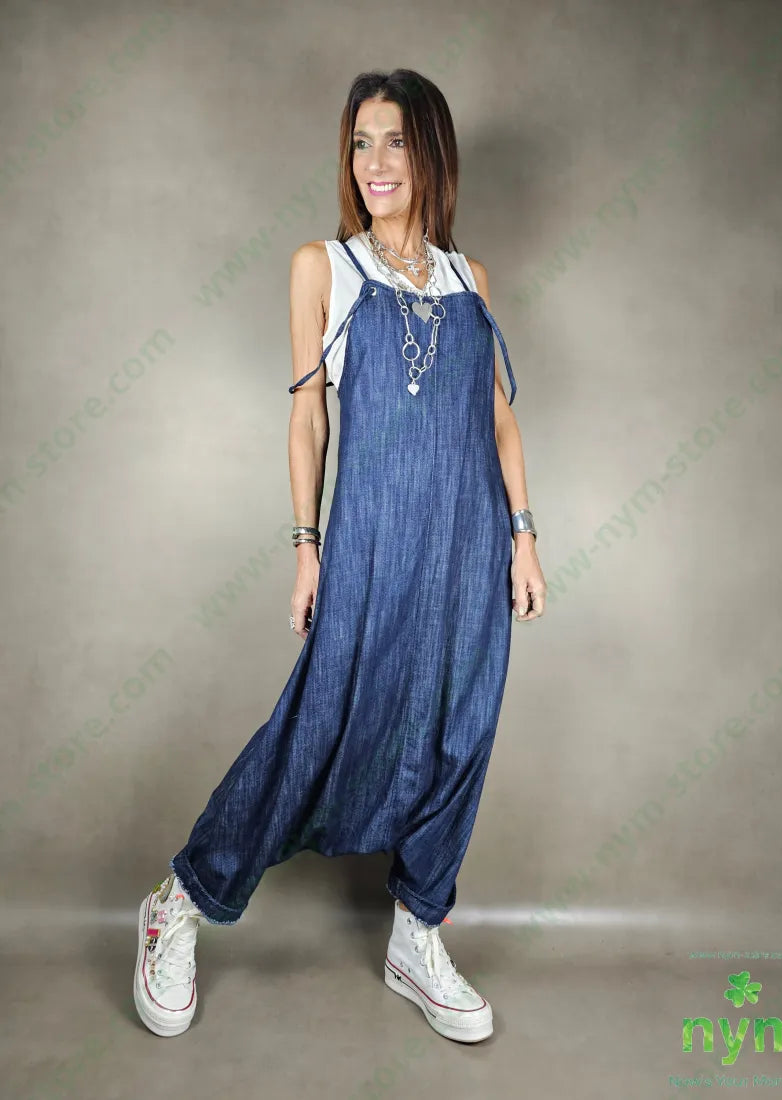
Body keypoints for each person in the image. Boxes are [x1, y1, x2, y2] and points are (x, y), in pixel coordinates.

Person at [133, 67, 547, 1044]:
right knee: (317, 730)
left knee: (460, 734)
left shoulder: (470, 279)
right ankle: (179, 901)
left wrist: (524, 536)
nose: (374, 162)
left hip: (471, 548)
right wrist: (307, 547)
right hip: (371, 544)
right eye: (361, 142)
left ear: (432, 152)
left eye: (395, 140)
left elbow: (497, 418)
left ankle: (418, 930)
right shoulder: (325, 266)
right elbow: (309, 415)